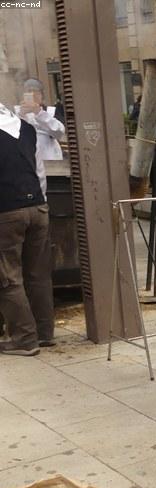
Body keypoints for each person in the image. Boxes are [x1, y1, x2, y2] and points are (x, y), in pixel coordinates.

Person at [0, 102, 54, 356]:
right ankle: (44, 334)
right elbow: (39, 173)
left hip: (7, 211)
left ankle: (24, 338)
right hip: (38, 208)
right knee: (38, 273)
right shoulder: (26, 128)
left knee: (8, 277)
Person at [14, 78, 65, 196]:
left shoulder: (51, 111)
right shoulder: (15, 112)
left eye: (36, 92)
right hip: (26, 164)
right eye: (28, 91)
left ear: (42, 95)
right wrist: (22, 115)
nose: (32, 95)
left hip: (50, 163)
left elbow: (59, 132)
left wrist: (39, 113)